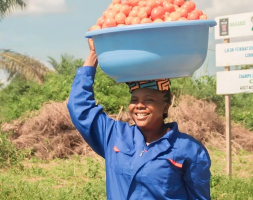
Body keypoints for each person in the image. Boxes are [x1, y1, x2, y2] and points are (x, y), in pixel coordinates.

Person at [67, 36, 211, 200]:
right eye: (134, 100)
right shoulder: (115, 136)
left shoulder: (188, 149)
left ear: (165, 107)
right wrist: (93, 54)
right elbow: (79, 107)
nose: (139, 106)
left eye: (149, 100)